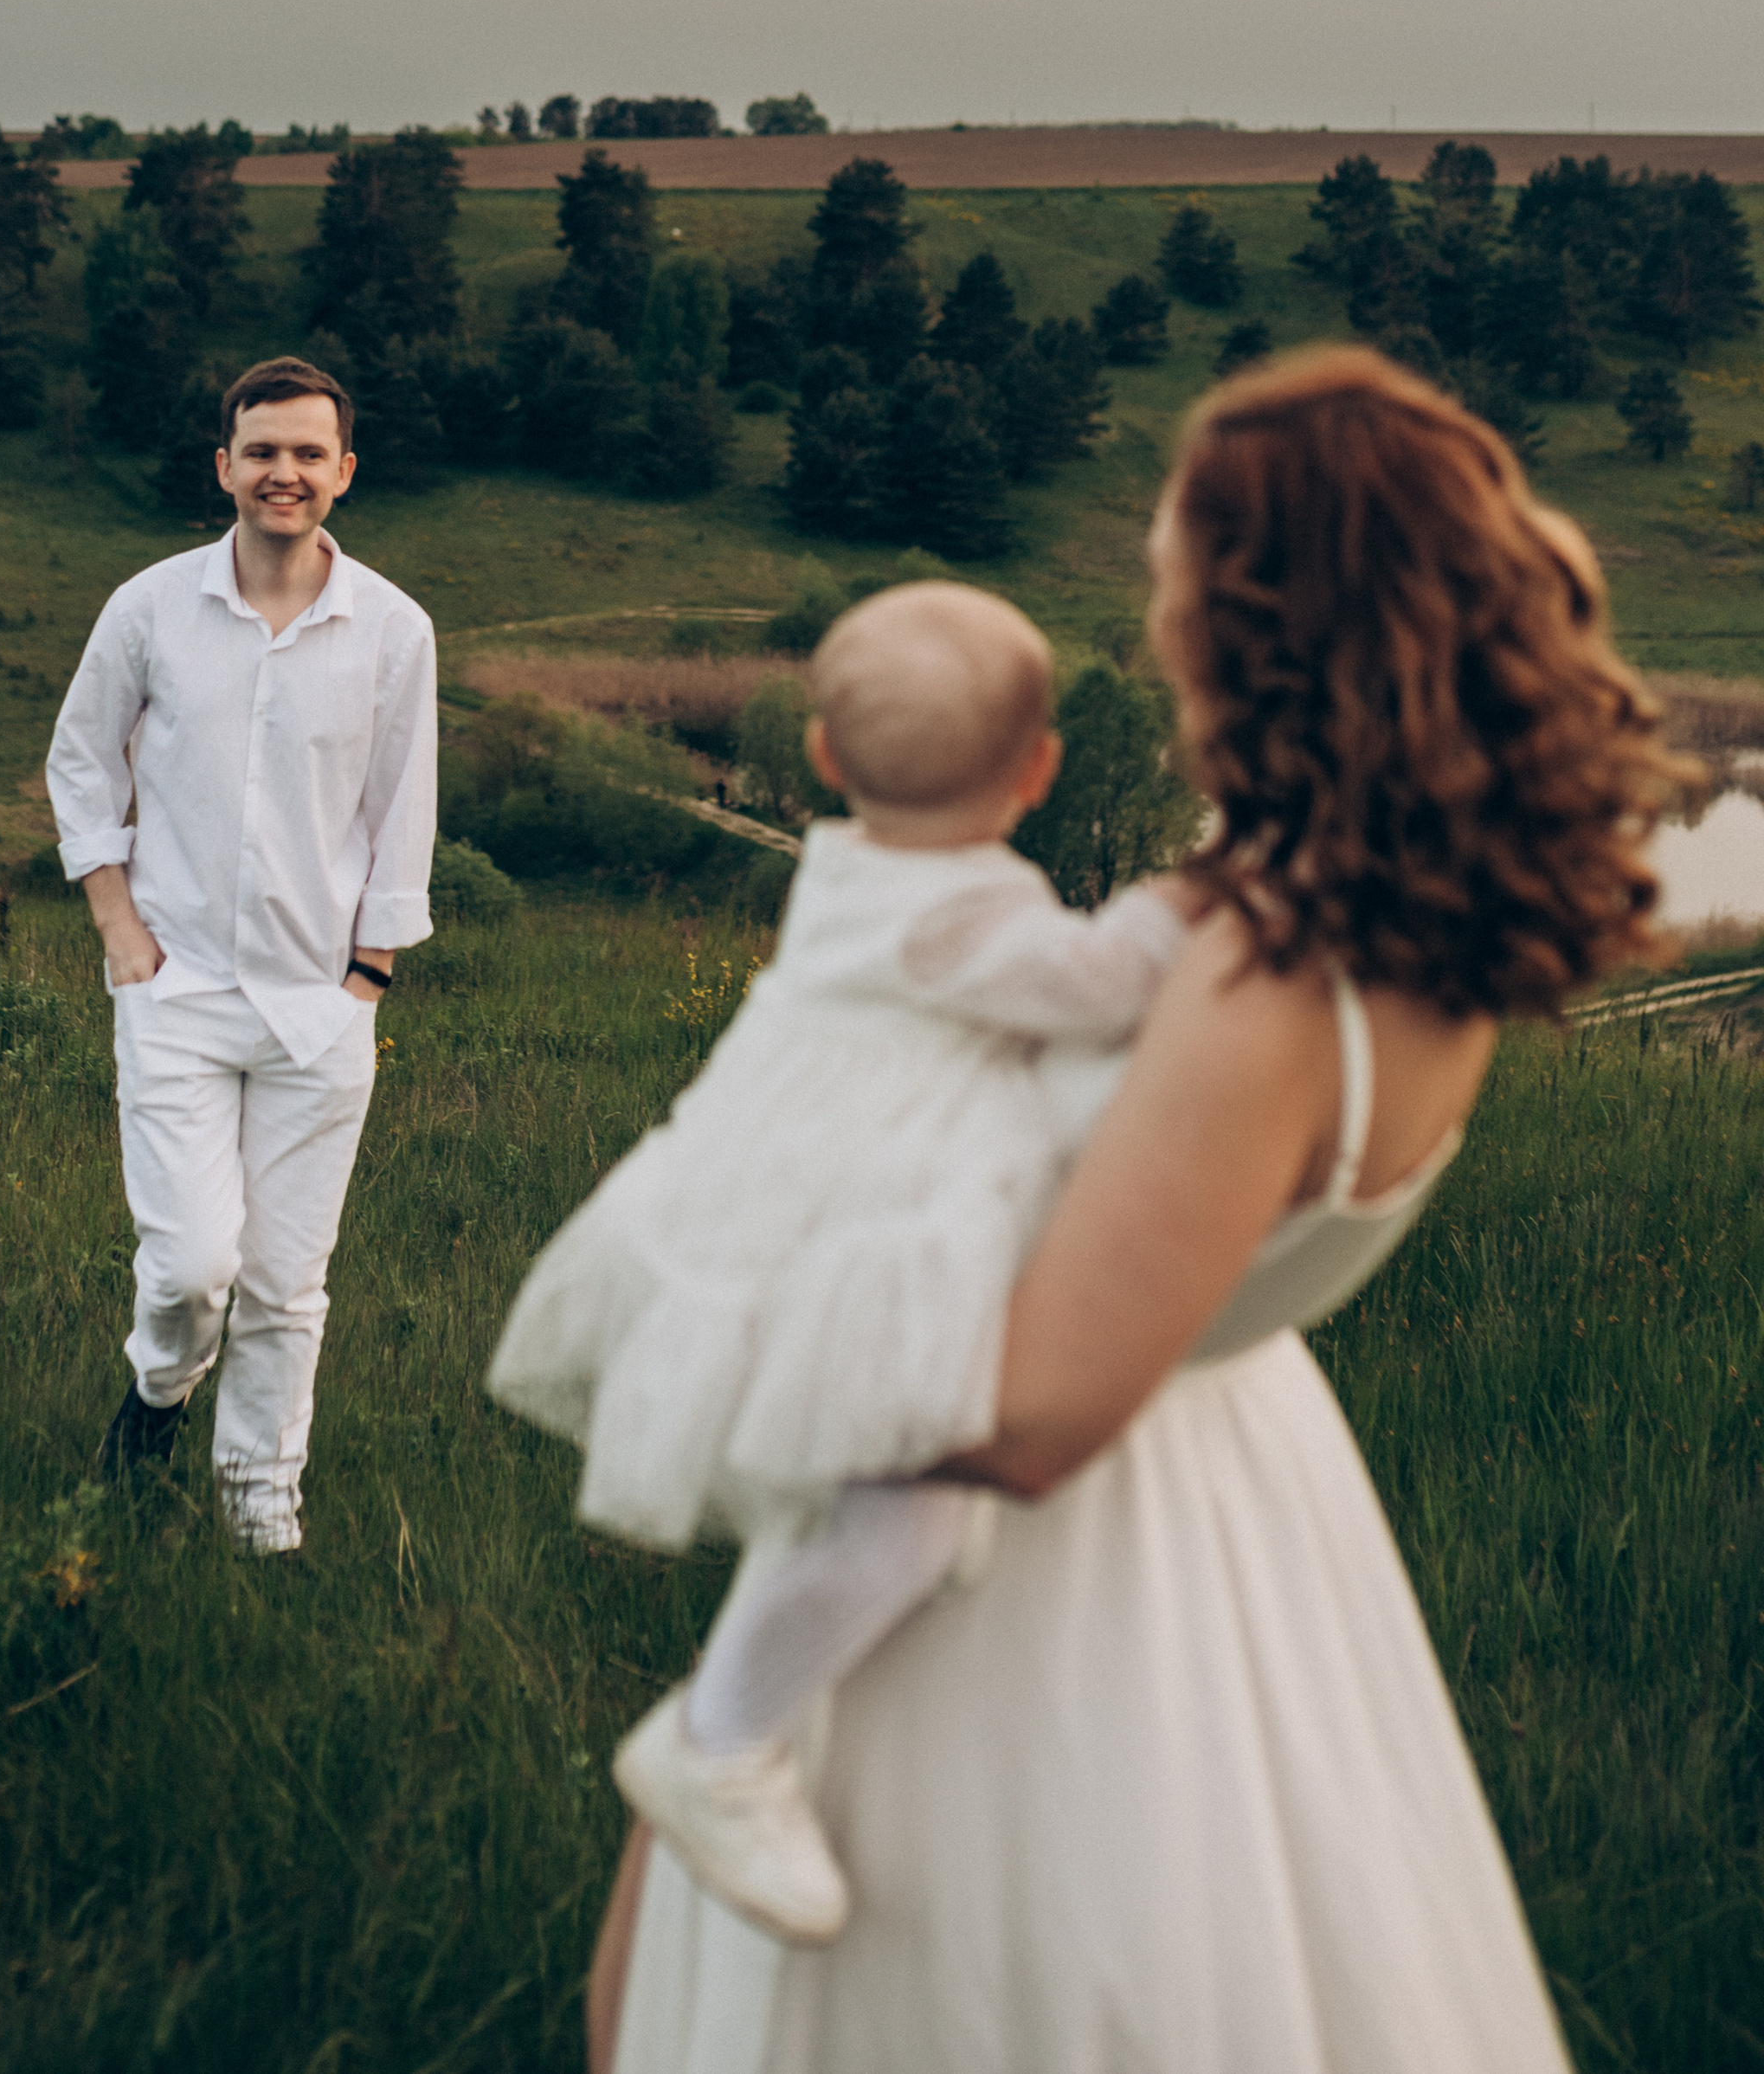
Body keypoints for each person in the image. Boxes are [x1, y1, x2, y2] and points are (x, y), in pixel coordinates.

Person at [592, 348, 1686, 2074]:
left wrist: (749, 1357)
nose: (1153, 595)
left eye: (1172, 560)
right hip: (1251, 1509)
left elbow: (1033, 1417)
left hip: (1057, 1588)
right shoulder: (1386, 915)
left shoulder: (1267, 972)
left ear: (1254, 616)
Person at [489, 581, 1187, 1944]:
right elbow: (1102, 986)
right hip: (866, 1227)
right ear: (1042, 769)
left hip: (795, 1197)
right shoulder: (953, 914)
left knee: (875, 1482)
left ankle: (775, 1683)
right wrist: (1183, 911)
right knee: (904, 1505)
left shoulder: (849, 864)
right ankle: (721, 1738)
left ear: (818, 758)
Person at [47, 353, 435, 1556]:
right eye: (262, 449)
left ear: (345, 474)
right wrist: (119, 926)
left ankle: (260, 1506)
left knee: (283, 1281)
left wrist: (367, 977)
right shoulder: (151, 605)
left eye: (309, 453)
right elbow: (80, 761)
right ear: (224, 465)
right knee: (192, 1266)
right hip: (175, 991)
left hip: (320, 1004)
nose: (285, 471)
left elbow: (401, 804)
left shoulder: (392, 627)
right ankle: (158, 1396)